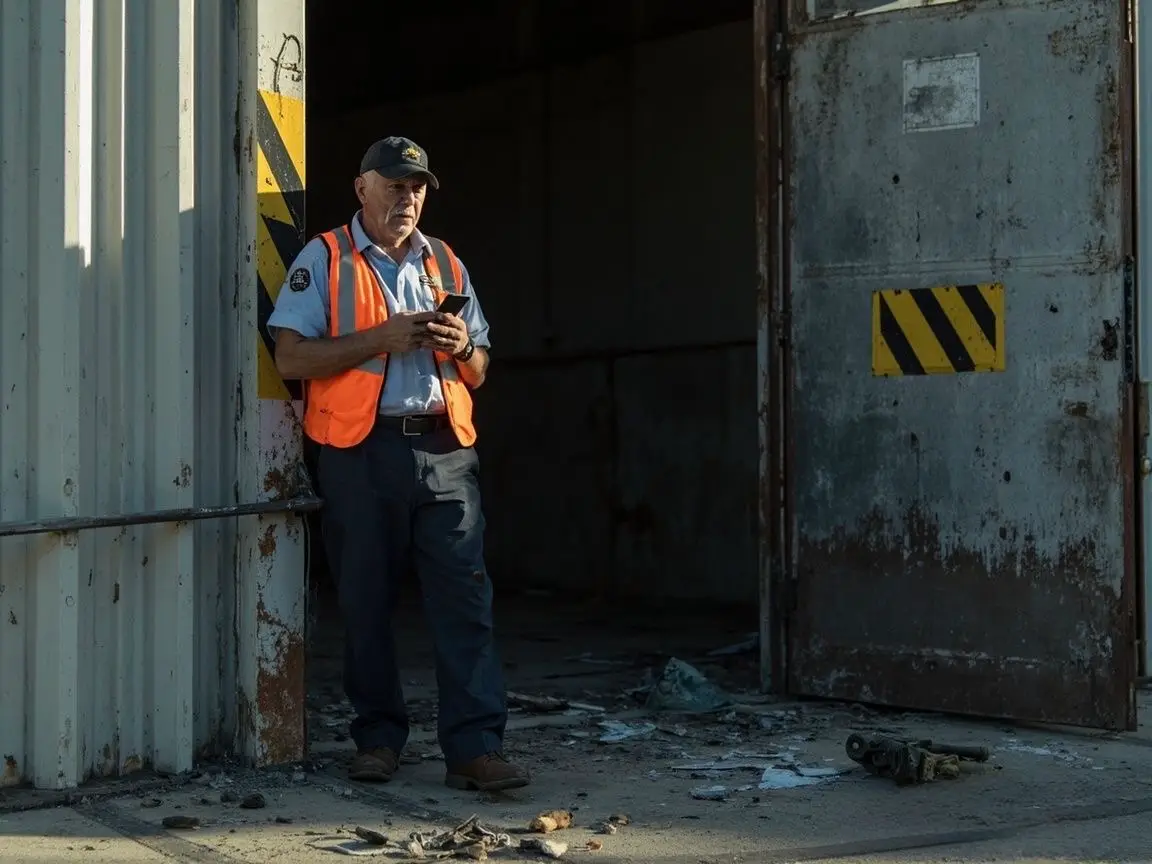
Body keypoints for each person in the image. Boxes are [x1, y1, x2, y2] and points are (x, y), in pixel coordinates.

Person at [267, 136, 528, 792]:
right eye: (394, 185)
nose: (407, 198)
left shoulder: (445, 260)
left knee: (465, 599)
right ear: (362, 189)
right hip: (362, 452)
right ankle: (378, 739)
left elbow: (481, 368)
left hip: (446, 451)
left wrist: (462, 346)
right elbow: (291, 358)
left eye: (416, 188)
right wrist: (378, 340)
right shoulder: (325, 258)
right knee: (366, 601)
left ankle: (475, 749)